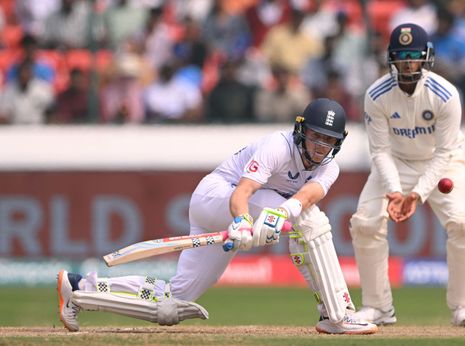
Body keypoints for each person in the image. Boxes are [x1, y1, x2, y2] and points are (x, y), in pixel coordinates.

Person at [57, 98, 378, 335]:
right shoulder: (276, 146)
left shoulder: (329, 167)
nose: (320, 146)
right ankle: (337, 314)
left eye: (328, 140)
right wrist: (241, 221)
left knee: (173, 301)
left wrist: (278, 215)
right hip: (216, 197)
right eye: (315, 136)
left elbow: (307, 196)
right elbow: (243, 193)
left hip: (251, 211)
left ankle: (81, 289)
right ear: (301, 129)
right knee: (310, 221)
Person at [349, 23, 465, 327]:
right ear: (391, 59)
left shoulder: (446, 94)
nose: (408, 62)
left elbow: (444, 152)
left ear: (426, 57)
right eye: (401, 55)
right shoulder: (376, 94)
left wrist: (417, 194)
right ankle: (378, 306)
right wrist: (396, 191)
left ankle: (463, 306)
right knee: (365, 223)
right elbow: (380, 152)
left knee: (464, 225)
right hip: (395, 161)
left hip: (444, 162)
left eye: (414, 55)